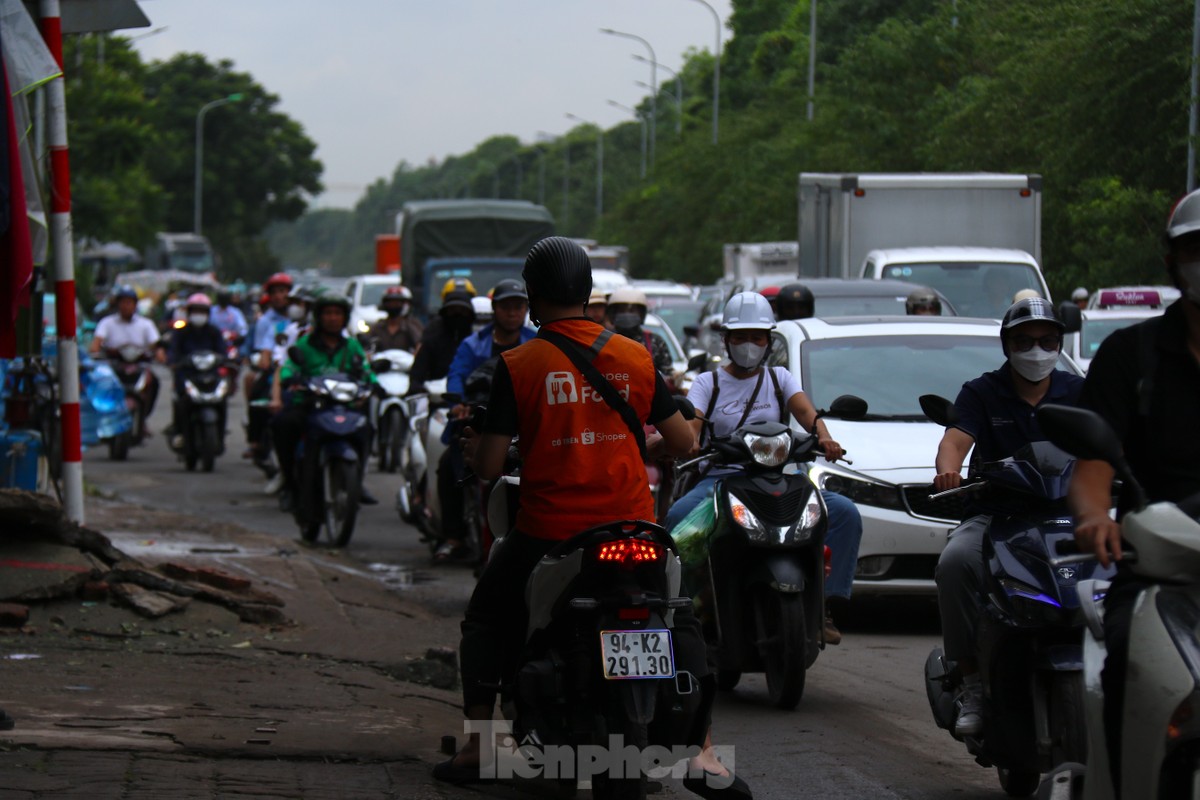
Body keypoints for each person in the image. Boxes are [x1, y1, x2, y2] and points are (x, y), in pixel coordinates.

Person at [438, 237, 748, 798]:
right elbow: (680, 441)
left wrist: (472, 450)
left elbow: (488, 464)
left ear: (533, 298)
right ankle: (702, 751)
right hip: (635, 529)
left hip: (549, 533)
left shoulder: (519, 363)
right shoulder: (635, 355)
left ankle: (480, 744)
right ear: (587, 293)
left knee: (487, 616)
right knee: (677, 617)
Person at [1068, 189, 1200, 788]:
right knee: (1127, 655)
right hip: (1161, 571)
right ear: (1172, 260)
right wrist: (1098, 518)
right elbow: (1094, 466)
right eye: (1197, 249)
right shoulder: (1132, 355)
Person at [664, 291, 863, 645]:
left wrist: (826, 438)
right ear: (726, 340)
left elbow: (806, 413)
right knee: (678, 517)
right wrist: (691, 441)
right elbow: (692, 425)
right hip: (721, 481)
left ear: (768, 341)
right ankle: (683, 610)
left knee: (845, 513)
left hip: (779, 478)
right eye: (740, 337)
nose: (749, 345)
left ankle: (825, 604)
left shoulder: (780, 379)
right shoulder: (707, 383)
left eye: (757, 337)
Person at [932, 296, 1084, 737]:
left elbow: (1109, 438)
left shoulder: (1078, 391)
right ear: (1007, 346)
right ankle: (973, 683)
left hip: (1068, 515)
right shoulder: (982, 391)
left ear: (1059, 344)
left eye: (1046, 341)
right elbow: (956, 439)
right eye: (1025, 341)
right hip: (997, 516)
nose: (1036, 351)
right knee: (954, 564)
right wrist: (949, 469)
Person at [433, 279, 536, 562]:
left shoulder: (537, 341)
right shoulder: (473, 344)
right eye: (506, 307)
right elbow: (456, 375)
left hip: (522, 425)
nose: (512, 313)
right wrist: (457, 402)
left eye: (518, 306)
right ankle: (453, 537)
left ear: (526, 309)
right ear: (494, 310)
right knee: (447, 466)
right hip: (477, 422)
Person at [270, 295, 377, 511]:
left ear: (344, 317)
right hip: (311, 406)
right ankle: (290, 484)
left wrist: (374, 384)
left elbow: (366, 372)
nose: (332, 318)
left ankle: (357, 478)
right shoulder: (304, 344)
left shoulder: (352, 346)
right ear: (319, 317)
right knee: (282, 425)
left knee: (368, 428)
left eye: (337, 314)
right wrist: (290, 379)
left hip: (344, 406)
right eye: (328, 313)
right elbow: (289, 367)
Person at [90, 284, 162, 420]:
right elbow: (96, 343)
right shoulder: (107, 322)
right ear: (117, 304)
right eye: (123, 302)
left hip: (139, 365)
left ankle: (144, 417)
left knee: (154, 382)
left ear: (135, 305)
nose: (126, 306)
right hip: (115, 364)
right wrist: (95, 351)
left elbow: (155, 345)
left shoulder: (146, 324)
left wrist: (159, 353)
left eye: (129, 302)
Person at [244, 272, 294, 467]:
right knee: (258, 394)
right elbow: (263, 348)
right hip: (275, 366)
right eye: (275, 292)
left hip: (297, 367)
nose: (279, 296)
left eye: (283, 291)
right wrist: (266, 361)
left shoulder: (298, 318)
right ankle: (255, 440)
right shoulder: (266, 321)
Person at [165, 294, 226, 449]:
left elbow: (223, 352)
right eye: (196, 311)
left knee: (222, 399)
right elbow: (173, 351)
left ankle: (221, 433)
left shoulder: (214, 331)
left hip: (210, 374)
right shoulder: (181, 331)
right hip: (187, 374)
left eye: (202, 311)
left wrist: (226, 359)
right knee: (180, 399)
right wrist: (174, 361)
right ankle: (179, 431)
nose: (199, 315)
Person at [407, 281, 477, 393]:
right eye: (453, 310)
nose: (457, 315)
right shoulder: (433, 331)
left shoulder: (478, 333)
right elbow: (420, 365)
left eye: (463, 310)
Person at [606, 287, 674, 374]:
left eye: (632, 310)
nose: (627, 314)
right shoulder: (604, 341)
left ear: (641, 314)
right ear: (613, 314)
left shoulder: (655, 342)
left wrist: (675, 377)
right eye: (622, 310)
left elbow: (667, 372)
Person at [365, 286, 423, 353]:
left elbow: (420, 344)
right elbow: (367, 345)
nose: (393, 306)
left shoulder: (411, 325)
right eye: (390, 303)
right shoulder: (378, 327)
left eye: (397, 303)